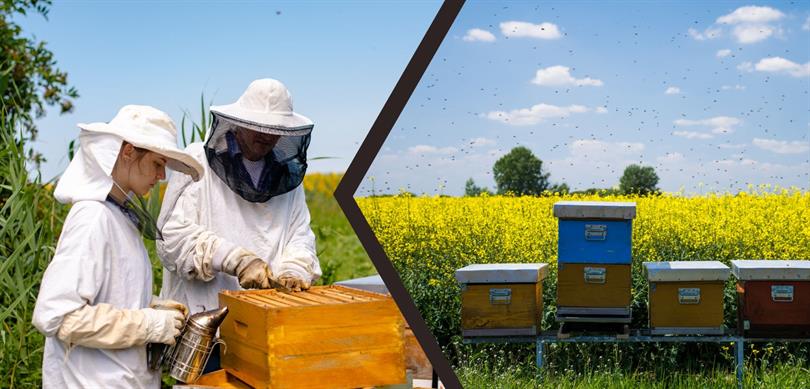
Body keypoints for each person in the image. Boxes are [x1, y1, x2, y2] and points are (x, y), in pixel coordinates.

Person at [32, 105, 204, 388]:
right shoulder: (92, 217)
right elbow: (57, 315)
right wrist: (147, 324)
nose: (162, 175)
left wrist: (150, 307)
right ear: (127, 152)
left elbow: (106, 296)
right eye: (157, 163)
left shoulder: (117, 215)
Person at [156, 78, 321, 316]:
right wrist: (234, 259)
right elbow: (171, 238)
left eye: (275, 129)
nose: (266, 135)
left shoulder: (287, 178)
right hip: (202, 320)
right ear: (239, 122)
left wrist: (293, 271)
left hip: (264, 318)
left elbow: (300, 236)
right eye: (259, 126)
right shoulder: (197, 162)